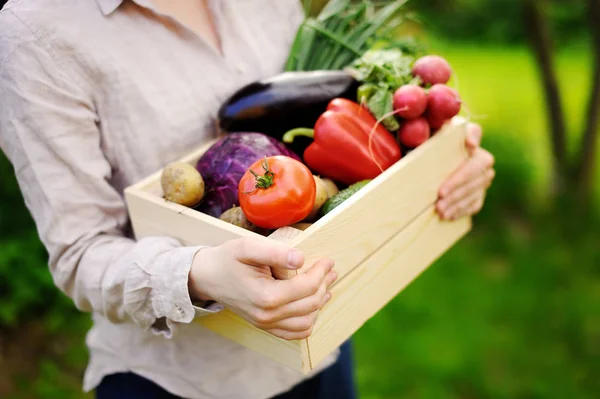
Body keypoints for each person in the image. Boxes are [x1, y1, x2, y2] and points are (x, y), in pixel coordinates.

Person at [0, 0, 495, 398]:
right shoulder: (34, 32)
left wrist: (442, 169)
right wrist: (200, 274)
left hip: (323, 345)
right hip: (180, 384)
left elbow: (324, 114)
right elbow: (80, 254)